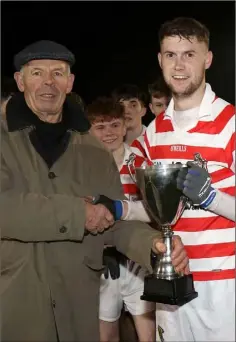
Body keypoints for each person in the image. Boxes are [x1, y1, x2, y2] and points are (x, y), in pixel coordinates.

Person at [1, 40, 189, 342]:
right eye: (37, 73)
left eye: (58, 73)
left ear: (70, 82)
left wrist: (153, 246)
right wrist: (78, 213)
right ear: (21, 81)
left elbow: (112, 218)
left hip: (79, 307)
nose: (48, 82)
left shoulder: (93, 148)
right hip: (15, 304)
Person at [133, 17, 235, 341]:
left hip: (221, 287)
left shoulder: (230, 124)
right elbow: (151, 209)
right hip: (171, 279)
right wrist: (119, 210)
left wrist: (211, 198)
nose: (179, 65)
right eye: (171, 54)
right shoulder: (153, 131)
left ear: (207, 59)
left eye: (189, 54)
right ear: (160, 59)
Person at [88, 97, 156, 342]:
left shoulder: (140, 164)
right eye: (101, 127)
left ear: (125, 126)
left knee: (149, 337)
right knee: (106, 338)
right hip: (102, 266)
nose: (109, 133)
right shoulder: (83, 169)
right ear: (90, 130)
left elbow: (156, 212)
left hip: (138, 263)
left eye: (115, 125)